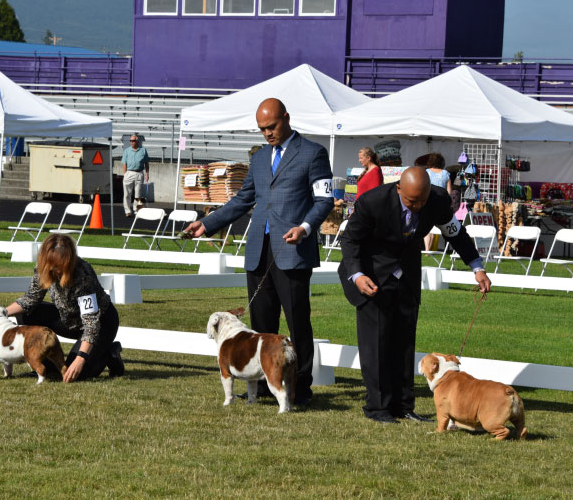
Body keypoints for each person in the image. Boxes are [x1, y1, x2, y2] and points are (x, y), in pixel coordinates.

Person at [184, 98, 334, 407]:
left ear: (287, 118)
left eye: (272, 127)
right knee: (263, 325)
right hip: (258, 249)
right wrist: (207, 223)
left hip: (292, 249)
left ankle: (301, 389)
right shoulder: (260, 157)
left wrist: (305, 228)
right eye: (262, 129)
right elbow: (243, 200)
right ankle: (266, 385)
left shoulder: (313, 153)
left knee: (297, 324)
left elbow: (324, 201)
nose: (267, 133)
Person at [337, 167, 491, 424]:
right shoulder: (372, 201)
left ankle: (403, 406)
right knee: (375, 345)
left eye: (423, 200)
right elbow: (350, 241)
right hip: (371, 275)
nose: (418, 206)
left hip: (407, 276)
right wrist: (358, 275)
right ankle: (378, 408)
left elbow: (455, 234)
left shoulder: (438, 200)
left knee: (404, 344)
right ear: (399, 188)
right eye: (411, 201)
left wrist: (477, 267)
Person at [4, 233, 124, 382]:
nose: (56, 270)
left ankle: (109, 354)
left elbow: (91, 323)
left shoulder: (83, 276)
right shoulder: (43, 268)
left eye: (60, 265)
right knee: (27, 314)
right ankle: (46, 365)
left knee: (77, 374)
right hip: (69, 319)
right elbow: (30, 299)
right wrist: (1, 313)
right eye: (52, 265)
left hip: (100, 324)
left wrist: (80, 359)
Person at [423, 152, 453, 251]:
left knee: (427, 227)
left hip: (428, 202)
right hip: (441, 204)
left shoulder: (426, 172)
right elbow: (449, 192)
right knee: (438, 227)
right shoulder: (445, 174)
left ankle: (427, 249)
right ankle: (434, 248)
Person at [122, 133, 150, 217]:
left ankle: (137, 210)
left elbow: (146, 163)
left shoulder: (143, 150)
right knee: (127, 193)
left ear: (137, 141)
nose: (132, 142)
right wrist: (125, 173)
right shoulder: (126, 151)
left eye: (133, 141)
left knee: (138, 194)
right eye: (130, 141)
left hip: (139, 172)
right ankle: (127, 210)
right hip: (129, 173)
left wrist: (147, 173)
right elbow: (124, 163)